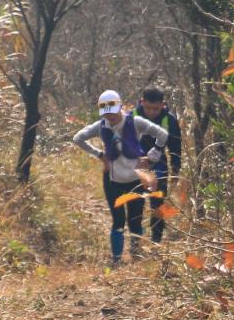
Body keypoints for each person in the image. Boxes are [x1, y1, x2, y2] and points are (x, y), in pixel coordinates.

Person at [72, 89, 170, 264]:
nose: (110, 117)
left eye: (112, 112)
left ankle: (136, 254)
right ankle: (116, 259)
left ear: (120, 107)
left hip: (135, 179)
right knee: (118, 220)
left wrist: (152, 156)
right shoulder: (100, 126)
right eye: (106, 114)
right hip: (112, 181)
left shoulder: (135, 122)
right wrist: (100, 155)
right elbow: (78, 138)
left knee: (135, 219)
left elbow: (162, 134)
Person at [132, 87, 182, 245]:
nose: (152, 112)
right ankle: (135, 242)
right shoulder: (131, 117)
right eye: (148, 108)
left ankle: (156, 242)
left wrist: (175, 170)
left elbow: (175, 148)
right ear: (142, 102)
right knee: (135, 205)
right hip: (135, 168)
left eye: (156, 109)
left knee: (158, 205)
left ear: (162, 104)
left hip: (159, 167)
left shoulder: (169, 120)